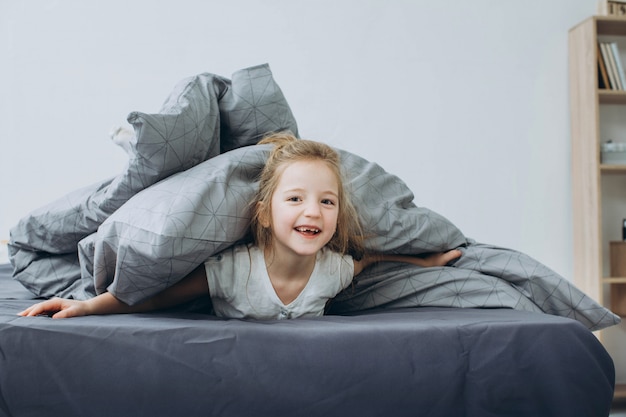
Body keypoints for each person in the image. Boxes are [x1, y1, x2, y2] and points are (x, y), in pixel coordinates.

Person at [18, 133, 461, 320]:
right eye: (295, 199)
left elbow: (373, 259)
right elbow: (154, 298)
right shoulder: (236, 268)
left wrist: (428, 259)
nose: (313, 212)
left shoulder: (334, 269)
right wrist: (86, 307)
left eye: (327, 202)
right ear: (265, 213)